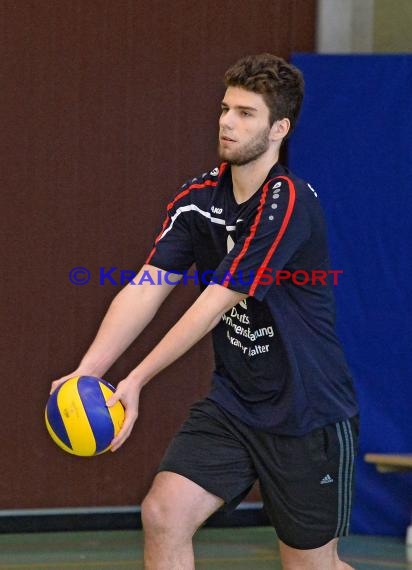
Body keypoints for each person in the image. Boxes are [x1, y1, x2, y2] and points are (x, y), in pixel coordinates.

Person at [52, 54, 359, 570]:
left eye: (245, 113)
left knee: (311, 566)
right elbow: (146, 287)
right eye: (224, 108)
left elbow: (214, 303)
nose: (227, 122)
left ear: (279, 128)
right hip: (235, 403)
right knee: (164, 513)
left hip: (307, 411)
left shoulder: (286, 204)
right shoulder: (198, 198)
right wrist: (91, 371)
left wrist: (137, 379)